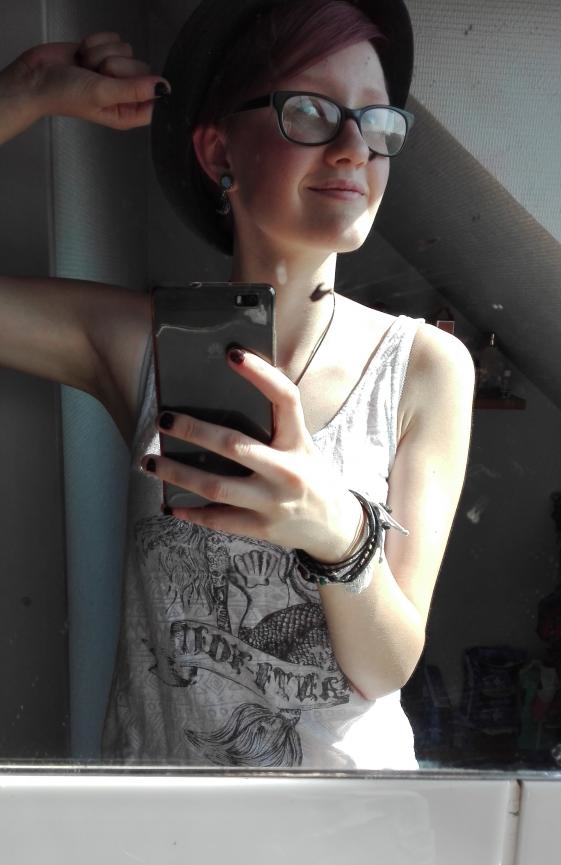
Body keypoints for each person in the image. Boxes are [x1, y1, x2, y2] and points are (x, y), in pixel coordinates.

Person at [0, 0, 474, 768]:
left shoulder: (422, 366)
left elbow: (385, 667)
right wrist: (23, 93)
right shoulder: (137, 343)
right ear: (219, 149)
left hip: (352, 828)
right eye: (311, 112)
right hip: (162, 826)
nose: (354, 149)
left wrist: (337, 533)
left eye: (376, 121)